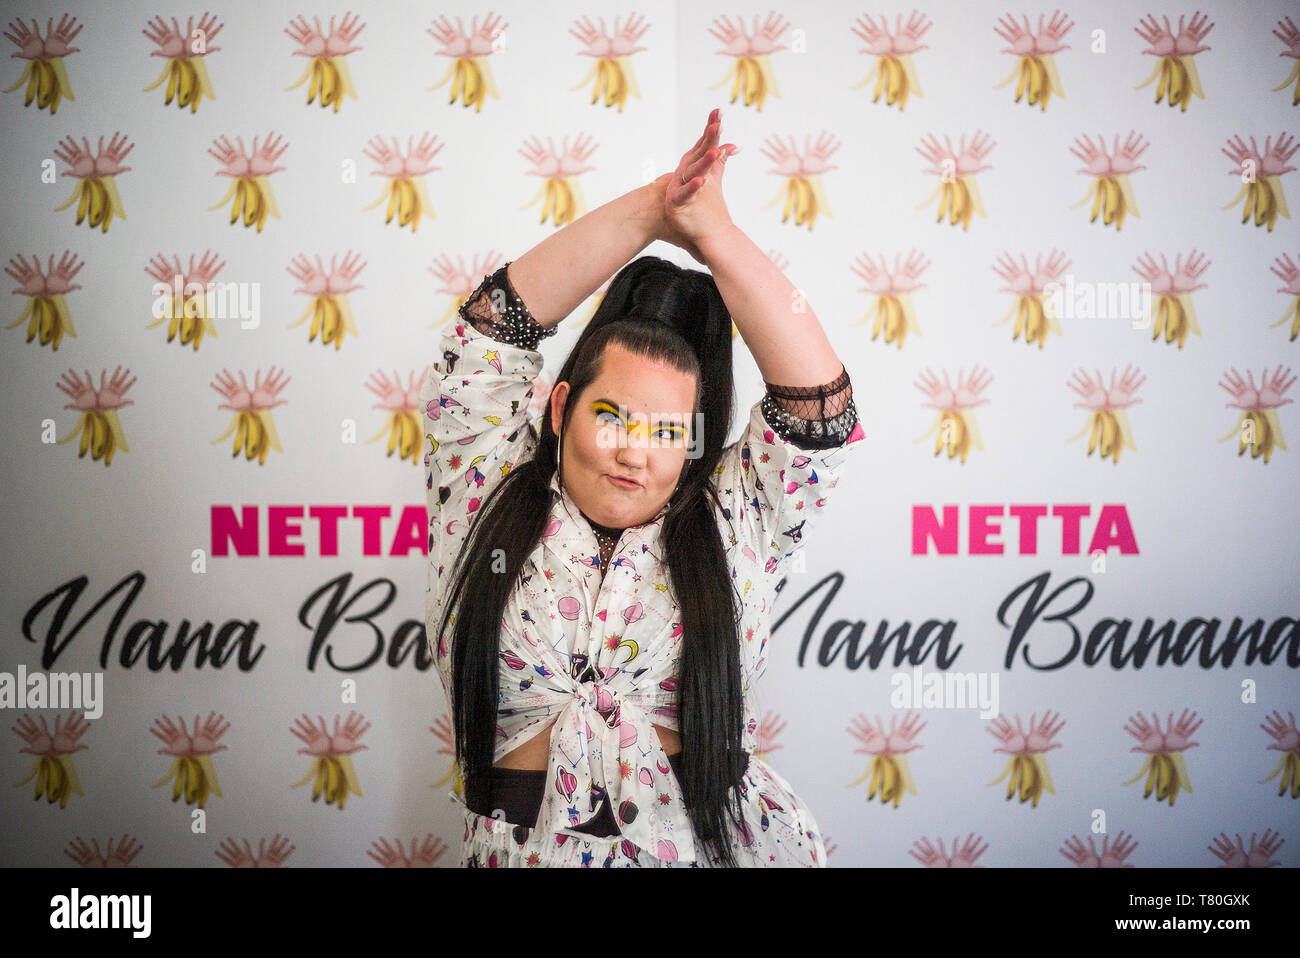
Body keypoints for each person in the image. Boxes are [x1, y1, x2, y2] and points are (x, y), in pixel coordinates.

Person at [422, 107, 865, 867]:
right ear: (561, 410)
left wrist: (716, 234)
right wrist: (656, 209)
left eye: (666, 431)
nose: (636, 453)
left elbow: (818, 413)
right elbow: (485, 338)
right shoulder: (484, 485)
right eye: (612, 417)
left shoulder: (735, 523)